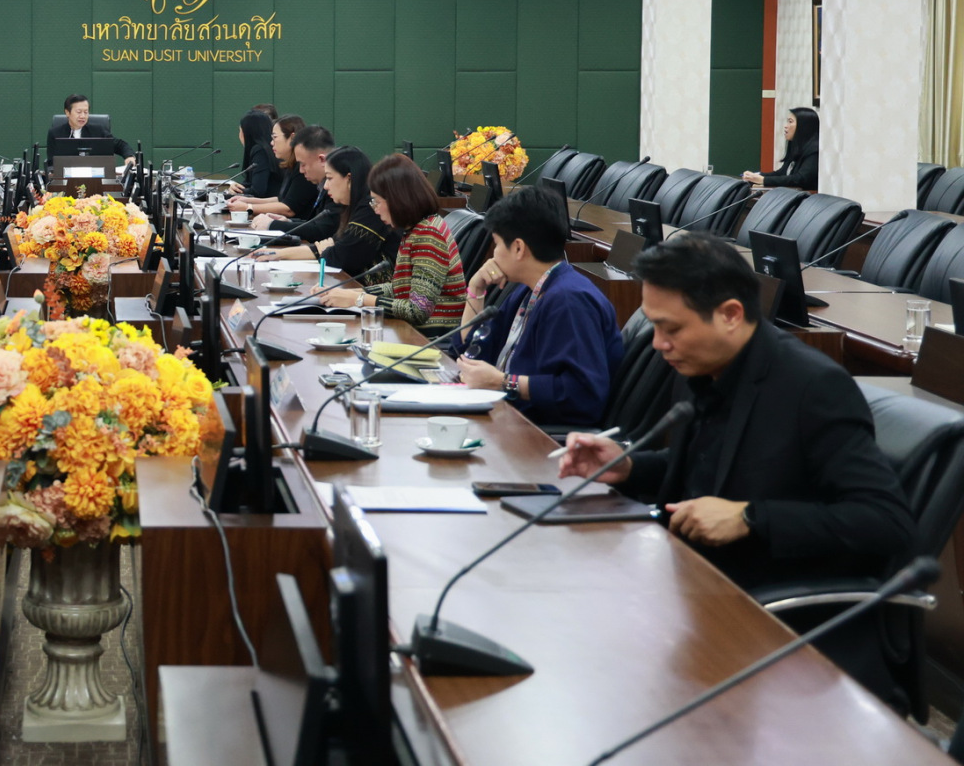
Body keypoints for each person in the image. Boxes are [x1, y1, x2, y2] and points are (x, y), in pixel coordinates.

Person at [557, 234, 914, 703]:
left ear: (729, 314)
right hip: (692, 587)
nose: (658, 344)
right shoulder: (700, 365)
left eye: (670, 328)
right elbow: (712, 471)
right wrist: (627, 468)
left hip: (776, 624)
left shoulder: (813, 387)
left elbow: (885, 521)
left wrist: (750, 517)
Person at [453, 185, 619, 427]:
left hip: (538, 435)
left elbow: (582, 394)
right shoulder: (529, 289)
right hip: (504, 418)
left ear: (518, 248)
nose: (493, 255)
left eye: (496, 245)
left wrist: (502, 382)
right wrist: (476, 289)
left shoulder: (570, 301)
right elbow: (474, 350)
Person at [327, 154, 467, 335]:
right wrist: (349, 293)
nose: (375, 210)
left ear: (397, 199)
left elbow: (417, 310)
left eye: (377, 201)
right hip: (413, 333)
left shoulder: (428, 235)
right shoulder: (416, 229)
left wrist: (359, 299)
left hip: (429, 340)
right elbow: (400, 288)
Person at [253, 146, 394, 277]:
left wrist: (327, 247)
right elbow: (331, 246)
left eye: (330, 178)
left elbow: (339, 257)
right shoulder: (353, 206)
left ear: (349, 178)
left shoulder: (371, 208)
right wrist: (277, 254)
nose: (326, 186)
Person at [258, 125, 338, 241]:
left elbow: (321, 230)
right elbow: (316, 223)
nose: (301, 170)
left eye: (303, 164)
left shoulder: (338, 187)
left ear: (321, 159)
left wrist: (272, 225)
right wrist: (288, 222)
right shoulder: (322, 184)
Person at [229, 115, 315, 221]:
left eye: (275, 137)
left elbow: (288, 209)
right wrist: (247, 200)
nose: (271, 143)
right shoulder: (291, 165)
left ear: (292, 138)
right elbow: (281, 199)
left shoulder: (303, 167)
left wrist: (248, 207)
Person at [743, 106, 819, 190]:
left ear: (803, 126)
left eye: (790, 122)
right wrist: (756, 176)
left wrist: (763, 180)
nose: (785, 126)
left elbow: (800, 179)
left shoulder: (814, 150)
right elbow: (782, 173)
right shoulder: (797, 147)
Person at [47, 94, 134, 165]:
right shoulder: (55, 133)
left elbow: (120, 145)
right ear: (67, 112)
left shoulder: (98, 131)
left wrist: (129, 156)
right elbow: (51, 163)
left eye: (86, 112)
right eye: (79, 112)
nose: (83, 116)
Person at [234, 108, 281, 199]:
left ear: (247, 133)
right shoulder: (267, 148)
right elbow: (251, 183)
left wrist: (230, 194)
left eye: (240, 130)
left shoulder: (260, 151)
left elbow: (257, 192)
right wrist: (236, 187)